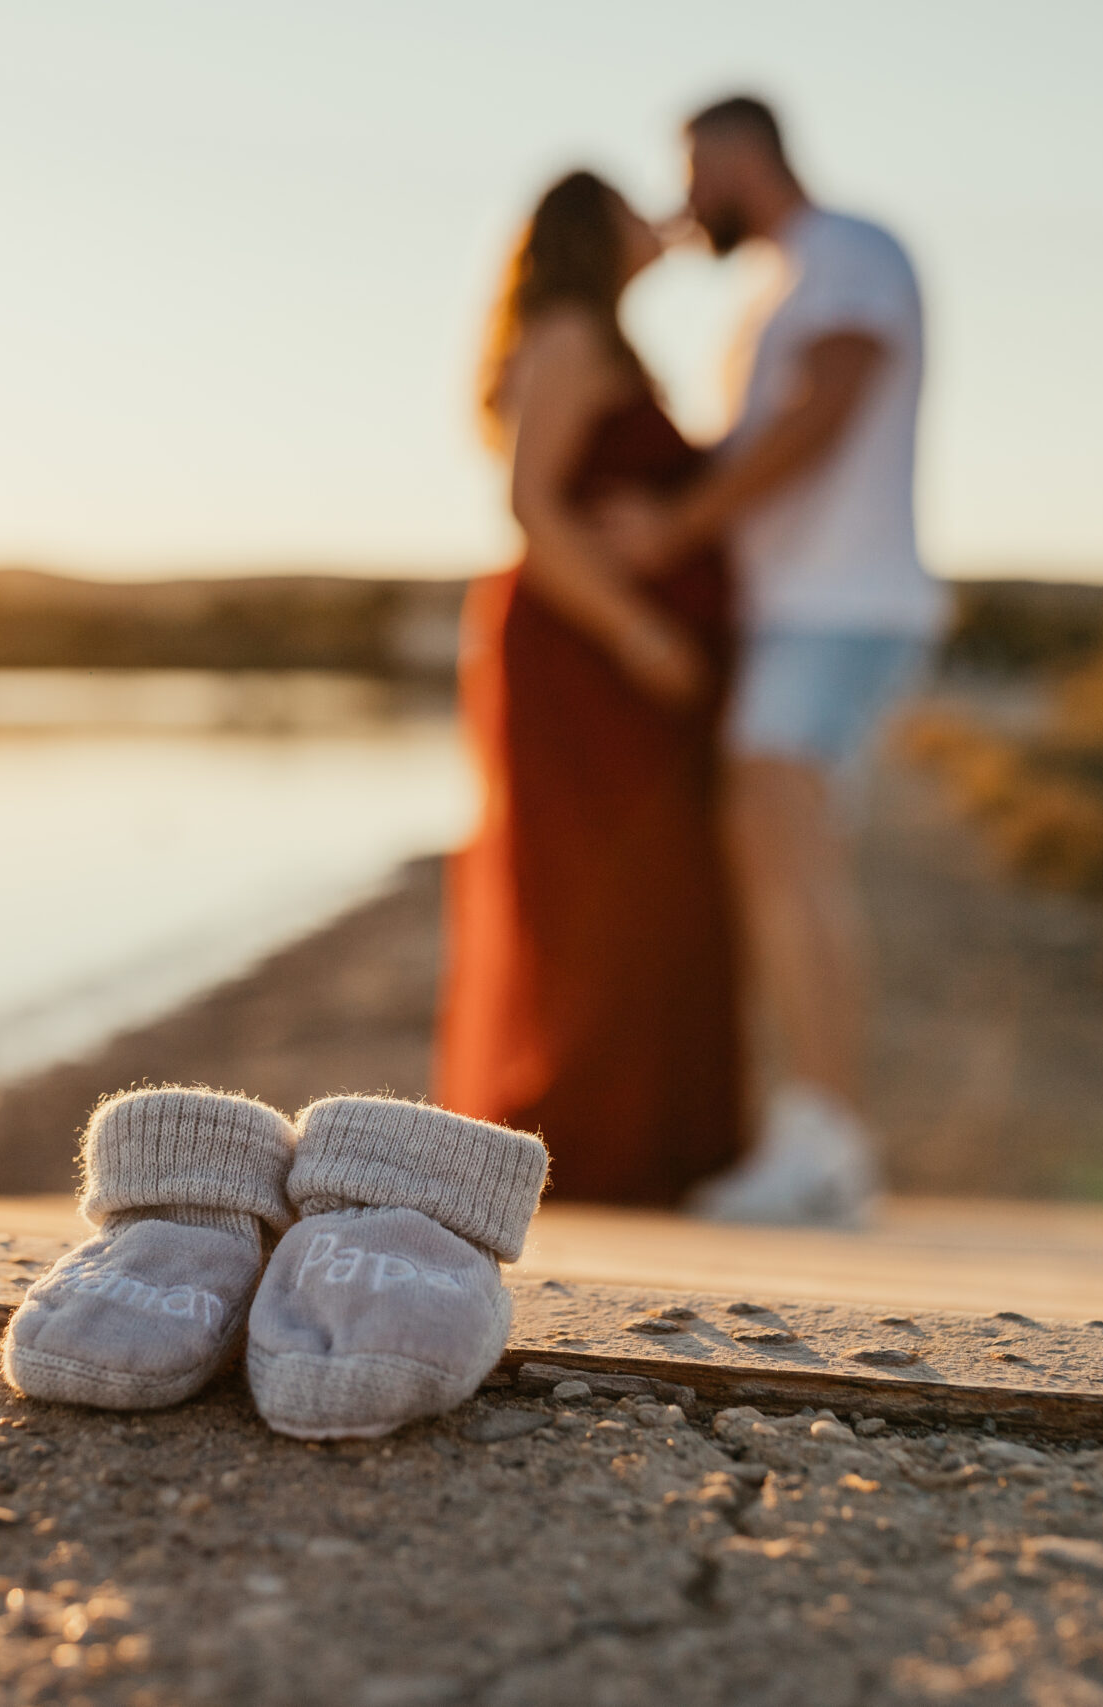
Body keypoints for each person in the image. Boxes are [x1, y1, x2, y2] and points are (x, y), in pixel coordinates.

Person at [605, 95, 945, 1224]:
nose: (683, 201)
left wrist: (676, 528)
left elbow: (828, 404)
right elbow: (763, 433)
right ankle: (818, 1130)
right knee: (773, 847)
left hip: (837, 603)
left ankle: (829, 1142)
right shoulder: (778, 282)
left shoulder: (844, 252)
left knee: (781, 840)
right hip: (801, 607)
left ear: (739, 156)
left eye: (693, 173)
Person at [432, 169, 744, 1204]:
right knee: (593, 883)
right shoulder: (570, 333)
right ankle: (591, 1141)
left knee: (637, 879)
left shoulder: (596, 336)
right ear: (591, 231)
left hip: (601, 653)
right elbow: (532, 507)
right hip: (586, 655)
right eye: (630, 205)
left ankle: (645, 1138)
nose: (656, 213)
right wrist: (643, 634)